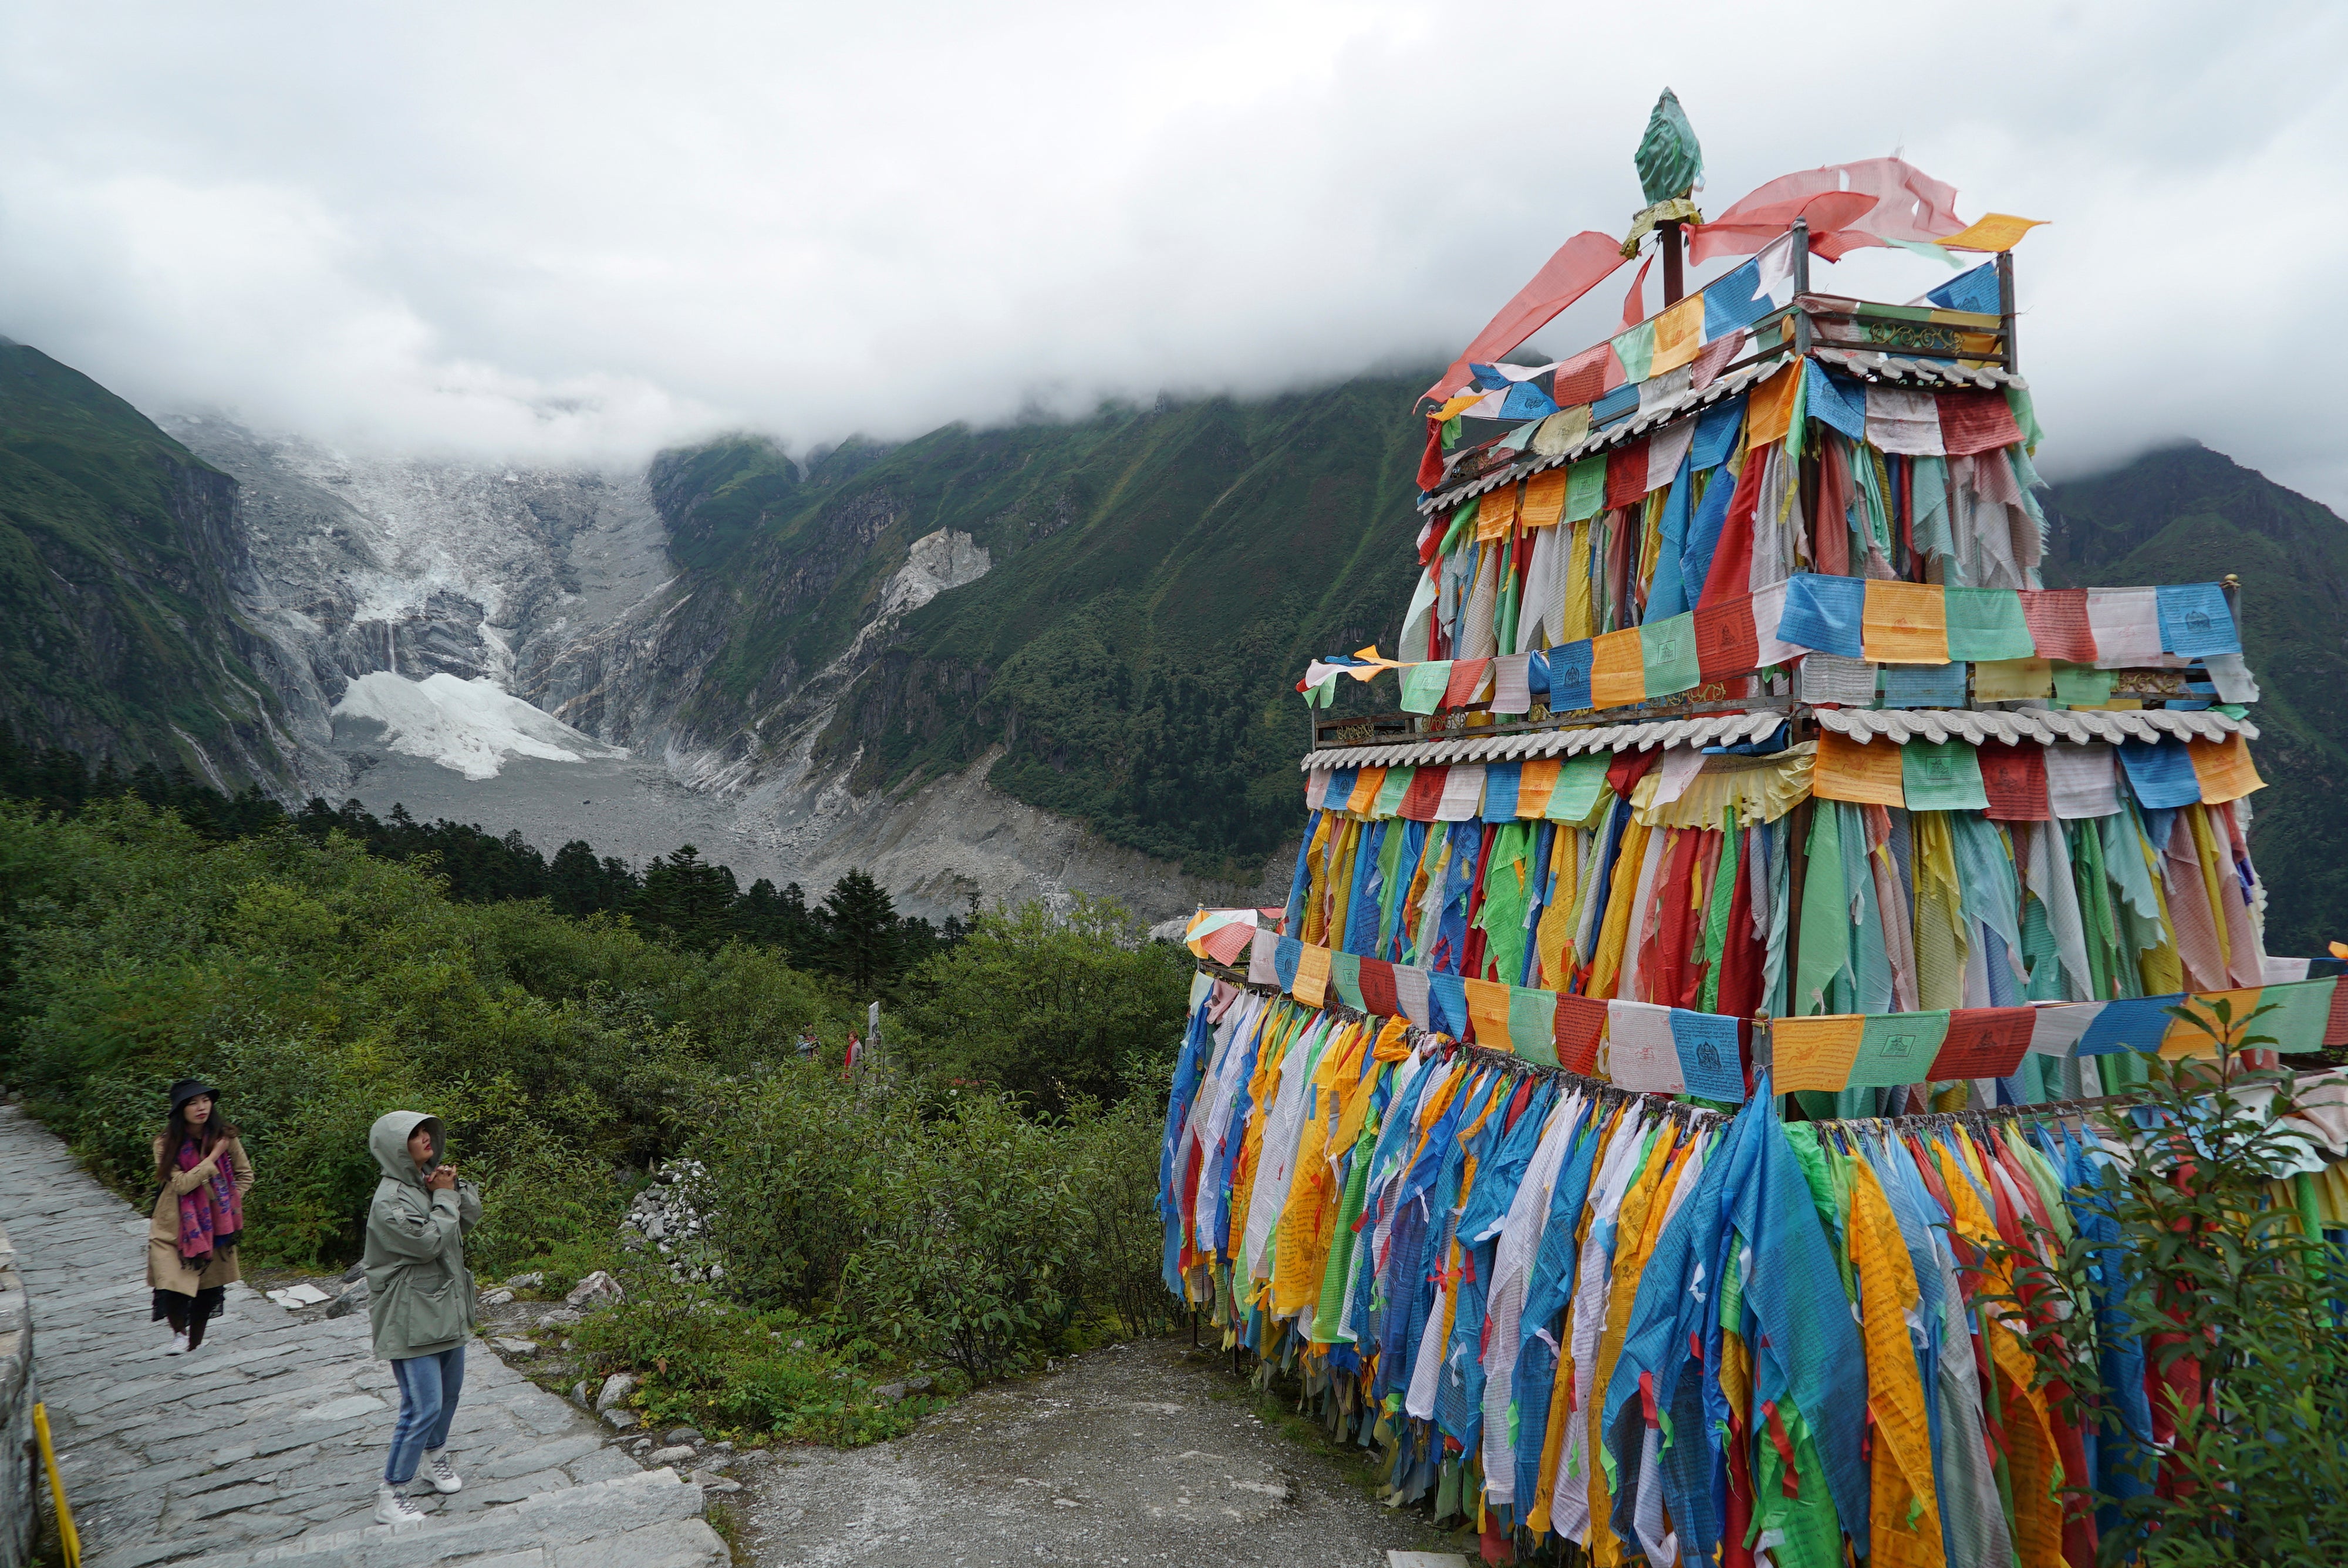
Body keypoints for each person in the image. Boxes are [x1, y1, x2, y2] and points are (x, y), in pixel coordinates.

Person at [363, 1110, 481, 1529]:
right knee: (422, 1405)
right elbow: (429, 1242)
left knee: (448, 1396)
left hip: (444, 1306)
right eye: (415, 1134)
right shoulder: (391, 1199)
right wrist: (444, 1197)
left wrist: (451, 1187)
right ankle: (391, 1492)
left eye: (426, 1130)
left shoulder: (426, 1183)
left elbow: (468, 1219)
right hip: (410, 1315)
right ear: (397, 1148)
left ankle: (434, 1459)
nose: (426, 1137)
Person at [148, 1079, 254, 1356]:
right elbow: (182, 1184)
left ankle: (194, 1341)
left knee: (208, 1287)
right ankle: (179, 1335)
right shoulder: (165, 1144)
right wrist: (215, 1156)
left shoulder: (226, 1136)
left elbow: (245, 1174)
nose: (201, 1107)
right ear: (180, 1109)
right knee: (170, 1283)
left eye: (205, 1101)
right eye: (193, 1103)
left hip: (217, 1224)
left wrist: (230, 1201)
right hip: (172, 1224)